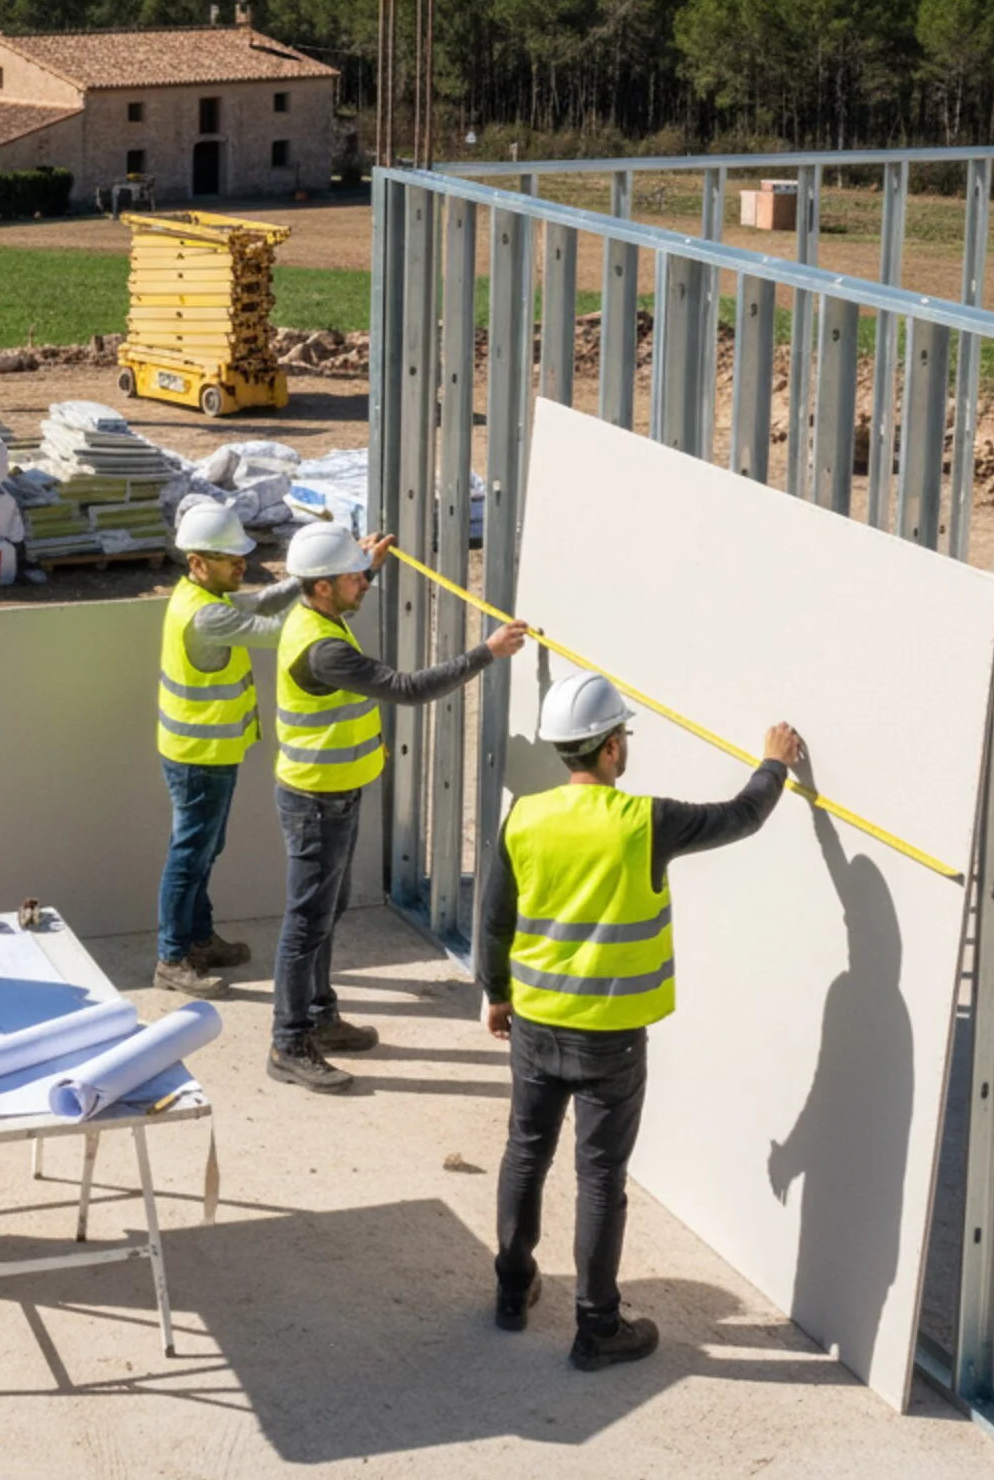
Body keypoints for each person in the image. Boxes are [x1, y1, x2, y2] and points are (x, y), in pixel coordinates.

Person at [480, 670, 803, 1368]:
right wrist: (774, 762)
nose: (625, 744)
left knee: (525, 1153)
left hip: (535, 1024)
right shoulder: (644, 822)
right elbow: (741, 816)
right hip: (611, 1038)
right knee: (600, 1178)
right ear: (609, 750)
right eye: (622, 734)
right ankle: (597, 1328)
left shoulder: (524, 817)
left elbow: (496, 916)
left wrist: (497, 992)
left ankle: (512, 1289)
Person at [269, 523, 527, 1092]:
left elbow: (345, 591)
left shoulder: (318, 613)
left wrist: (368, 565)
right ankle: (289, 1042)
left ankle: (318, 1015)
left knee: (325, 915)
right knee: (306, 924)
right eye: (352, 579)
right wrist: (487, 651)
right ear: (319, 588)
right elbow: (407, 688)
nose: (362, 584)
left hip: (332, 794)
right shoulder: (323, 648)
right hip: (316, 802)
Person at [153, 500, 299, 996]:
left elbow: (257, 606)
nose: (242, 564)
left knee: (204, 849)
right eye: (229, 557)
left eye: (242, 555)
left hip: (207, 753)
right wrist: (327, 588)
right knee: (190, 854)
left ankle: (198, 938)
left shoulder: (201, 597)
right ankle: (172, 958)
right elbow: (278, 630)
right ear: (198, 563)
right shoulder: (208, 617)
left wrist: (314, 577)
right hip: (199, 758)